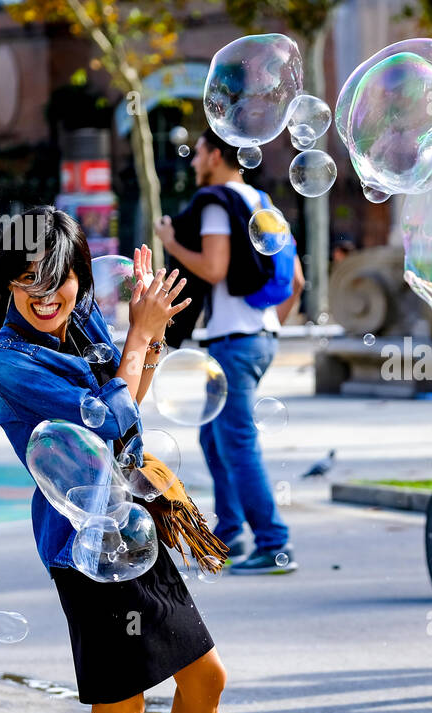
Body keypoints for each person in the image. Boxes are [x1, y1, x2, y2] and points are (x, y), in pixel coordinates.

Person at [0, 208, 225, 713]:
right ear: (8, 281)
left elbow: (129, 401)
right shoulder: (8, 360)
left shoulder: (81, 316)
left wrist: (150, 337)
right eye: (27, 278)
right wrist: (141, 334)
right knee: (122, 704)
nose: (44, 294)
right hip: (85, 544)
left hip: (129, 521)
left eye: (57, 277)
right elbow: (112, 419)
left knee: (206, 680)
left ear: (79, 275)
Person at [155, 130, 303, 573]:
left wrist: (171, 242)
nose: (194, 160)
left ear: (216, 155)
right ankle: (230, 534)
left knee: (236, 442)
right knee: (213, 436)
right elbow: (295, 280)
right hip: (256, 336)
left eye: (199, 153)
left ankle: (274, 543)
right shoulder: (262, 201)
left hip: (234, 341)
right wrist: (268, 323)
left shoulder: (217, 203)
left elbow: (214, 268)